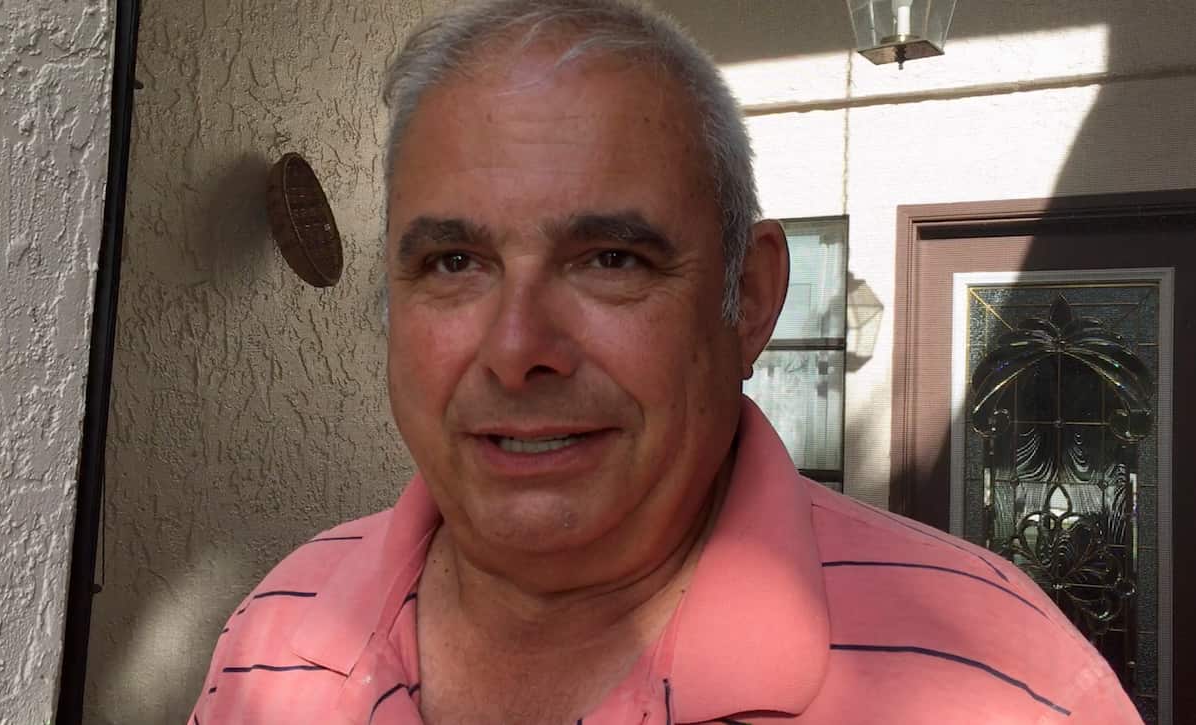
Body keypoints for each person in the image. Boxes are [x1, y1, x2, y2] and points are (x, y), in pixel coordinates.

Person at [189, 1, 1142, 722]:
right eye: (455, 262)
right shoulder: (280, 631)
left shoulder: (997, 680)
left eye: (611, 259)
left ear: (750, 299)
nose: (518, 350)